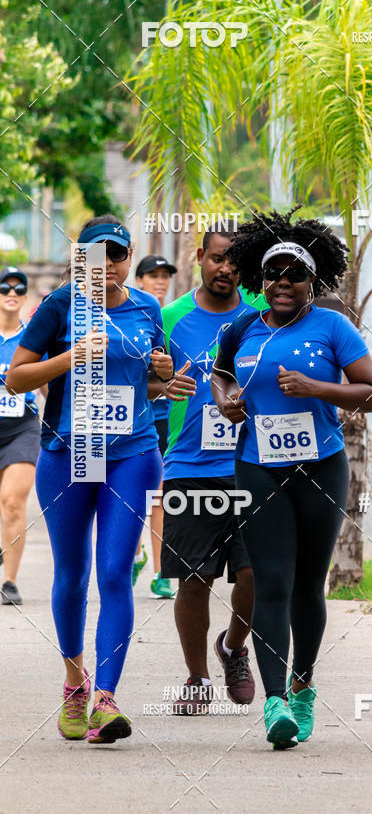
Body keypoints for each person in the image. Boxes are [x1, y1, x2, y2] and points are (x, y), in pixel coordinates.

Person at [211, 210, 372, 749]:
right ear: (259, 280)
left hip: (321, 466)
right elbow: (220, 374)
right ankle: (276, 701)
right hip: (258, 466)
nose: (283, 282)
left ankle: (304, 686)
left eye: (295, 274)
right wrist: (227, 401)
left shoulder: (333, 326)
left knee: (309, 583)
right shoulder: (242, 328)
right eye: (273, 273)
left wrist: (316, 388)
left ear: (312, 281)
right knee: (271, 581)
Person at [6, 215, 175, 744]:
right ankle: (74, 681)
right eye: (95, 255)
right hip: (69, 452)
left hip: (131, 451)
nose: (107, 265)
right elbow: (16, 377)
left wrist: (165, 377)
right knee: (73, 575)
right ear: (81, 260)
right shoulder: (59, 306)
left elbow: (151, 379)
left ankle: (106, 698)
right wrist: (70, 357)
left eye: (117, 254)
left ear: (129, 257)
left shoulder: (147, 308)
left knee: (115, 573)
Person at [159, 225, 266, 713]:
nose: (226, 269)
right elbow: (143, 382)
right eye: (219, 258)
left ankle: (233, 647)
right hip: (189, 464)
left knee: (254, 572)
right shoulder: (170, 318)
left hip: (252, 462)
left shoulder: (259, 315)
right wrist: (161, 386)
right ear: (200, 256)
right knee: (193, 577)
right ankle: (197, 677)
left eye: (236, 263)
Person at [133, 254, 178, 599]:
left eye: (165, 276)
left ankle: (162, 572)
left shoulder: (174, 317)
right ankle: (134, 554)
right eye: (153, 275)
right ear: (139, 280)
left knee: (159, 496)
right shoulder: (133, 316)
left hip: (162, 418)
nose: (160, 282)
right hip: (128, 418)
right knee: (130, 494)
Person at [0, 267, 44, 606]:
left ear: (26, 297)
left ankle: (10, 582)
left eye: (19, 289)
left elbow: (47, 382)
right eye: (5, 288)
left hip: (22, 427)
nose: (12, 293)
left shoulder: (32, 337)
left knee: (13, 501)